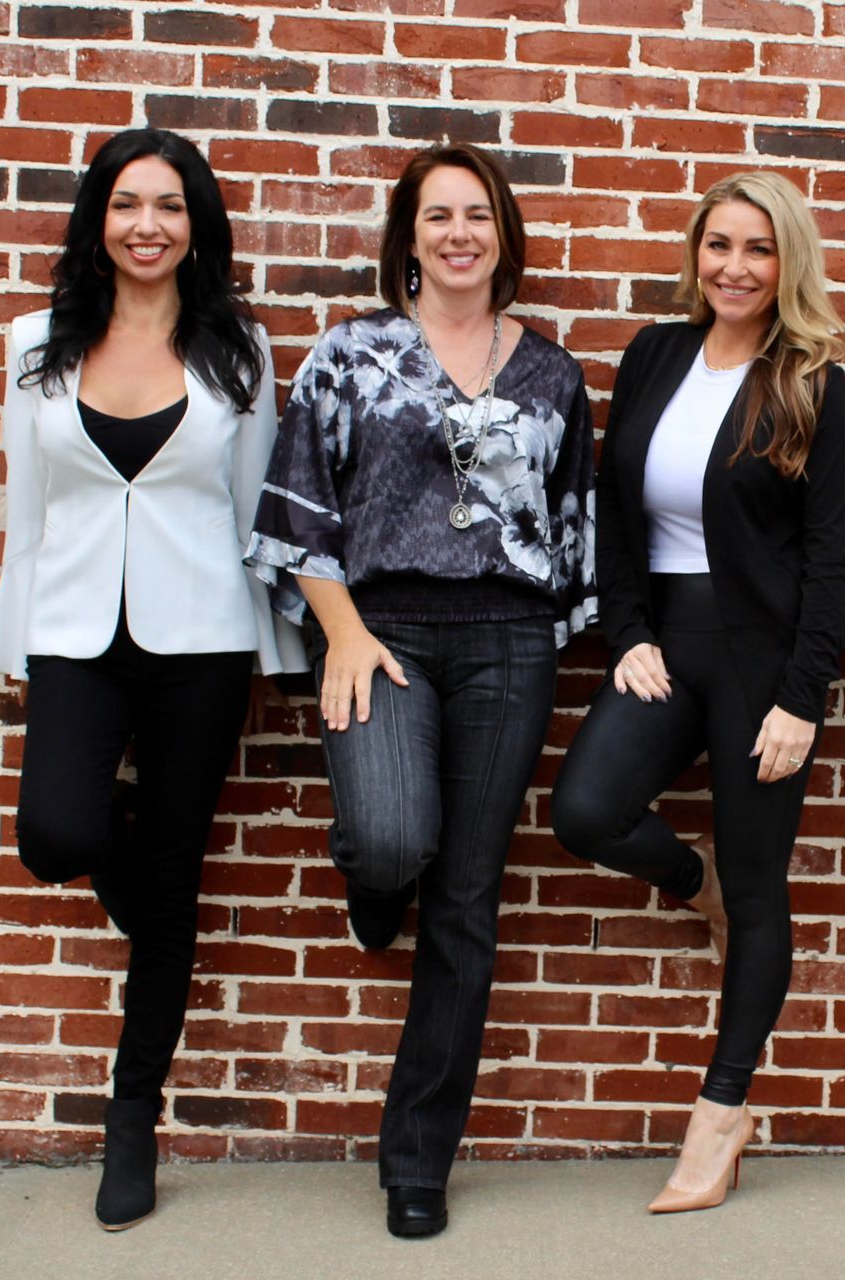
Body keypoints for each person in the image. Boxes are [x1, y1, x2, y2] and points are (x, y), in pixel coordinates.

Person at [245, 142, 594, 1239]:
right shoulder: (352, 353)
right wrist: (339, 627)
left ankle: (416, 1156)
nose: (459, 234)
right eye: (438, 215)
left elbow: (573, 524)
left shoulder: (551, 372)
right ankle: (373, 884)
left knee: (468, 900)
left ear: (503, 234)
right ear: (409, 236)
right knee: (394, 840)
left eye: (477, 215)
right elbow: (298, 507)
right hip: (381, 628)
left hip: (507, 637)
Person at [0, 128, 305, 1230]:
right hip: (76, 629)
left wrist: (277, 653)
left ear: (197, 223)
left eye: (170, 205)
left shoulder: (240, 351)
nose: (148, 225)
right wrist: (13, 640)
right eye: (128, 204)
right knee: (56, 835)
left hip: (202, 639)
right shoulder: (37, 343)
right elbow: (24, 510)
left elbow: (258, 507)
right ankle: (121, 841)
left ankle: (133, 1118)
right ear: (98, 218)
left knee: (170, 892)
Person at [550, 171, 845, 1215]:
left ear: (788, 264)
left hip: (764, 661)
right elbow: (613, 510)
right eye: (719, 245)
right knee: (585, 808)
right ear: (696, 253)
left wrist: (804, 695)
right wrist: (626, 630)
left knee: (765, 886)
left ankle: (722, 1112)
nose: (734, 267)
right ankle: (695, 881)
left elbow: (828, 559)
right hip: (666, 640)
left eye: (759, 250)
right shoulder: (655, 354)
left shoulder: (812, 379)